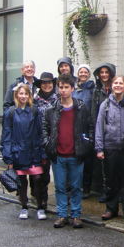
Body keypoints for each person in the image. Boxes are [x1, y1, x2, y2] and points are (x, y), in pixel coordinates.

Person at [43, 74, 92, 229]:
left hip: (76, 154)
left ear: (72, 88)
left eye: (66, 87)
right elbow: (45, 128)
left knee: (76, 187)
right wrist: (47, 143)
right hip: (58, 155)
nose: (63, 90)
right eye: (61, 87)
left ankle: (76, 215)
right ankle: (62, 215)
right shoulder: (52, 109)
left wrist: (87, 143)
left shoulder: (81, 107)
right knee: (60, 187)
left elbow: (90, 126)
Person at [95, 76, 124, 222]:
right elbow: (99, 126)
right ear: (111, 85)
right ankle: (111, 208)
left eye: (121, 83)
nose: (118, 85)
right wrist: (99, 148)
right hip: (110, 147)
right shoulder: (105, 104)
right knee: (111, 180)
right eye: (116, 83)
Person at [1, 83, 46, 220]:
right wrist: (7, 156)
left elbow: (40, 132)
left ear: (29, 95)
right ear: (16, 95)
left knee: (37, 179)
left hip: (33, 151)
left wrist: (43, 152)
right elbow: (6, 135)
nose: (23, 96)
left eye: (26, 94)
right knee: (22, 181)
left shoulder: (34, 110)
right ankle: (24, 206)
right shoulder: (10, 112)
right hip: (18, 152)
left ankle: (40, 207)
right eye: (21, 93)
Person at [91, 62, 116, 202]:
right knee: (103, 165)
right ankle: (104, 191)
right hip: (101, 130)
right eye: (102, 72)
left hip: (114, 131)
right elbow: (94, 113)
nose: (104, 75)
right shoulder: (97, 91)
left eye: (107, 72)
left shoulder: (116, 88)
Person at [34, 72, 58, 210]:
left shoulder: (59, 99)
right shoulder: (35, 101)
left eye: (49, 83)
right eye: (44, 83)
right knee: (41, 175)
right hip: (40, 143)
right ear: (40, 85)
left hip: (56, 141)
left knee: (59, 174)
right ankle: (42, 200)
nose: (47, 85)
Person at [72, 64, 96, 199]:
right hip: (75, 127)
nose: (83, 74)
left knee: (88, 161)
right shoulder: (74, 89)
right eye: (81, 71)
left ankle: (86, 187)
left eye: (85, 71)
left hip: (87, 127)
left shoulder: (92, 89)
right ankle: (77, 186)